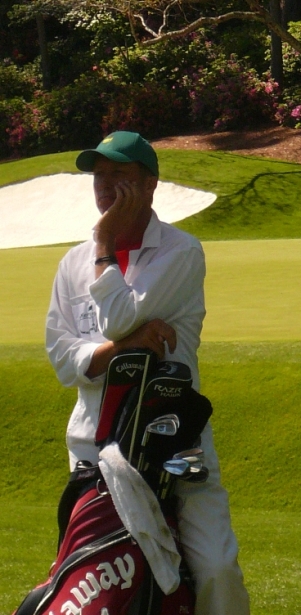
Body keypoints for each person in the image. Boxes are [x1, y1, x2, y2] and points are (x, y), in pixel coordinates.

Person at [45, 130, 250, 614]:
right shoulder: (72, 263)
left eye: (119, 173)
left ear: (150, 183)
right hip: (93, 448)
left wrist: (103, 240)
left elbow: (117, 317)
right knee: (95, 578)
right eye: (98, 175)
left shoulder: (181, 252)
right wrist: (122, 348)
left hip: (177, 443)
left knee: (216, 568)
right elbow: (62, 358)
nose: (105, 184)